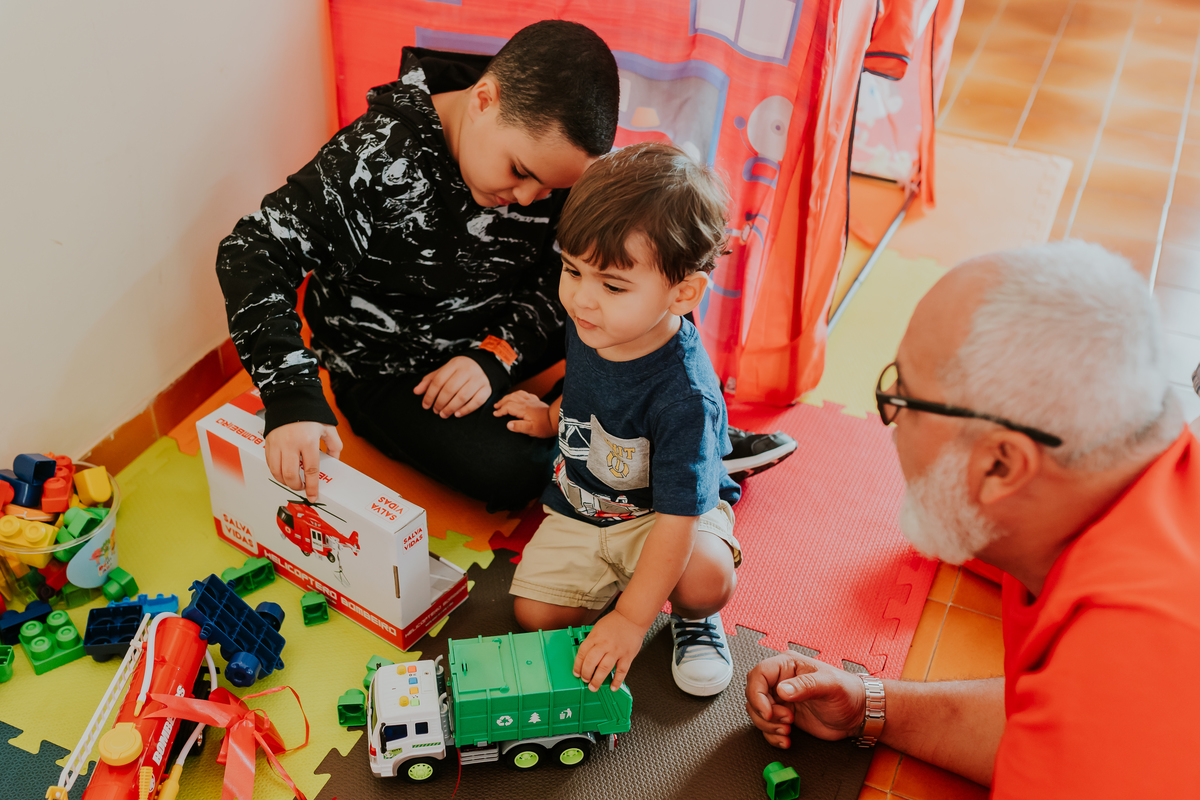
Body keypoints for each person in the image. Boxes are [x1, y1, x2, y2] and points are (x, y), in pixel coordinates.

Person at [216, 20, 794, 511]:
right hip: (393, 366)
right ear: (484, 99)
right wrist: (289, 397)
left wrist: (496, 355)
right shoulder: (374, 158)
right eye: (519, 171)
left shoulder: (555, 164)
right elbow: (250, 252)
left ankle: (692, 439)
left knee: (650, 285)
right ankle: (643, 448)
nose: (526, 198)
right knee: (513, 473)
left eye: (550, 187)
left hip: (514, 329)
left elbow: (563, 276)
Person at [744, 241, 1200, 797]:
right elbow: (1037, 716)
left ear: (1001, 463)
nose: (891, 423)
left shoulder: (1122, 680)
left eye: (904, 399)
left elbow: (1088, 729)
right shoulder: (1133, 492)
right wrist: (870, 704)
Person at [496, 142, 742, 697]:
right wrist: (549, 418)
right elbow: (584, 397)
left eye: (611, 284)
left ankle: (691, 618)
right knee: (533, 614)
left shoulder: (686, 396)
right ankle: (634, 588)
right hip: (587, 507)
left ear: (682, 294)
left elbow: (677, 521)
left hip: (664, 519)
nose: (581, 298)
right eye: (572, 269)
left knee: (704, 578)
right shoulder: (595, 322)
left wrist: (632, 621)